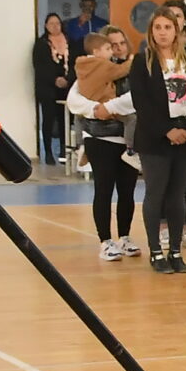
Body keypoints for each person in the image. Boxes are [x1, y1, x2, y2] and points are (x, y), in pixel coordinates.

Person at [125, 6, 186, 272]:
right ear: (151, 32)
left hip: (185, 138)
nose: (163, 33)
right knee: (156, 193)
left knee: (177, 195)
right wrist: (166, 130)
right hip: (155, 139)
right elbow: (142, 103)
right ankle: (156, 251)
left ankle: (175, 250)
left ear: (177, 31)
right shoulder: (143, 62)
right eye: (158, 28)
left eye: (168, 27)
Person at [68, 28, 137, 260]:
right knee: (104, 190)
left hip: (125, 138)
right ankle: (105, 240)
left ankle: (125, 236)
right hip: (100, 138)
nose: (118, 48)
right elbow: (74, 101)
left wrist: (112, 107)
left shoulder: (132, 71)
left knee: (127, 192)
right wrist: (97, 109)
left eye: (121, 43)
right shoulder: (97, 67)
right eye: (112, 45)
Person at [32, 10, 74, 166]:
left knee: (65, 120)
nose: (55, 26)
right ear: (46, 26)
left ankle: (64, 150)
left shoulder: (70, 41)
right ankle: (48, 152)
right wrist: (55, 80)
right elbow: (39, 67)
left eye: (57, 23)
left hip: (66, 88)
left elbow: (75, 63)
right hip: (48, 88)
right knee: (48, 119)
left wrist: (67, 80)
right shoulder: (41, 44)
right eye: (51, 24)